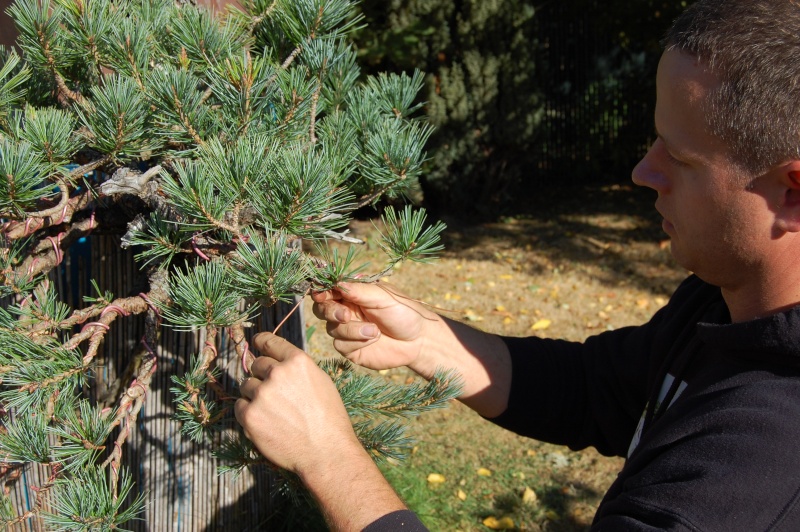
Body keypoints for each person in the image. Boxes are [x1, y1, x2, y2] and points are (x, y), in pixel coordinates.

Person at [235, 0, 800, 529]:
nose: (642, 172)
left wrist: (330, 458)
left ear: (792, 191)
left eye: (679, 157)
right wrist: (429, 343)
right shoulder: (726, 305)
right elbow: (594, 390)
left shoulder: (756, 470)